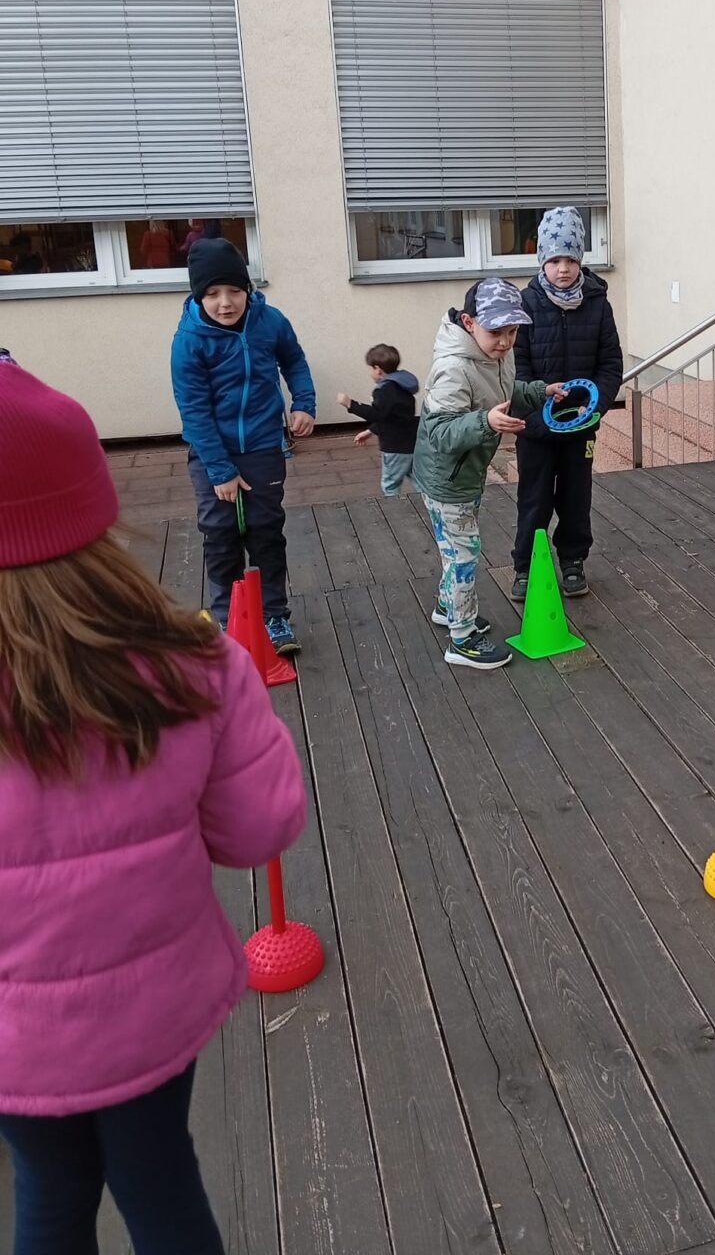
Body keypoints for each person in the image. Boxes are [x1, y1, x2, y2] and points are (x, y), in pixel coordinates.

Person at [0, 362, 306, 1255]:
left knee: (48, 1194)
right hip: (151, 1010)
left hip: (12, 1040)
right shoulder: (193, 665)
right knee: (161, 1182)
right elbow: (258, 831)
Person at [411, 278, 569, 671]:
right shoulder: (453, 369)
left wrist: (541, 391)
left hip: (466, 472)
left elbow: (506, 390)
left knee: (456, 548)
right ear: (469, 323)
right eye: (496, 331)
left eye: (512, 332)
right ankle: (461, 638)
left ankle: (448, 607)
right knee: (463, 555)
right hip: (447, 479)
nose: (505, 341)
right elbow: (440, 433)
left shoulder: (493, 355)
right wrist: (486, 422)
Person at [170, 233, 316, 655]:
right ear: (198, 296)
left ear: (247, 289)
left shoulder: (269, 321)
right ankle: (228, 618)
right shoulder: (189, 341)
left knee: (266, 532)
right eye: (212, 294)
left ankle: (274, 616)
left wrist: (304, 403)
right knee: (221, 536)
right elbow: (194, 411)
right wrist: (220, 471)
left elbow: (294, 360)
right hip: (212, 455)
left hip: (263, 447)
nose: (225, 303)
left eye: (234, 290)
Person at [511, 207, 623, 600]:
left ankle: (573, 561)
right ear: (542, 259)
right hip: (535, 430)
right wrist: (535, 415)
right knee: (534, 500)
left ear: (581, 260)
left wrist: (593, 409)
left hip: (579, 426)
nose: (563, 269)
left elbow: (610, 366)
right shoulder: (525, 304)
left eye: (571, 260)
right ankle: (526, 567)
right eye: (555, 259)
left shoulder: (598, 305)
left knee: (577, 498)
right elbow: (516, 369)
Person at [338, 342, 420, 498]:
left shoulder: (385, 390)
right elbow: (394, 416)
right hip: (412, 443)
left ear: (378, 369)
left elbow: (376, 414)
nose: (369, 372)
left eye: (370, 369)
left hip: (394, 446)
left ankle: (393, 509)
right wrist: (371, 430)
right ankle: (431, 505)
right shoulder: (403, 385)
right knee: (418, 479)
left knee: (390, 484)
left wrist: (350, 404)